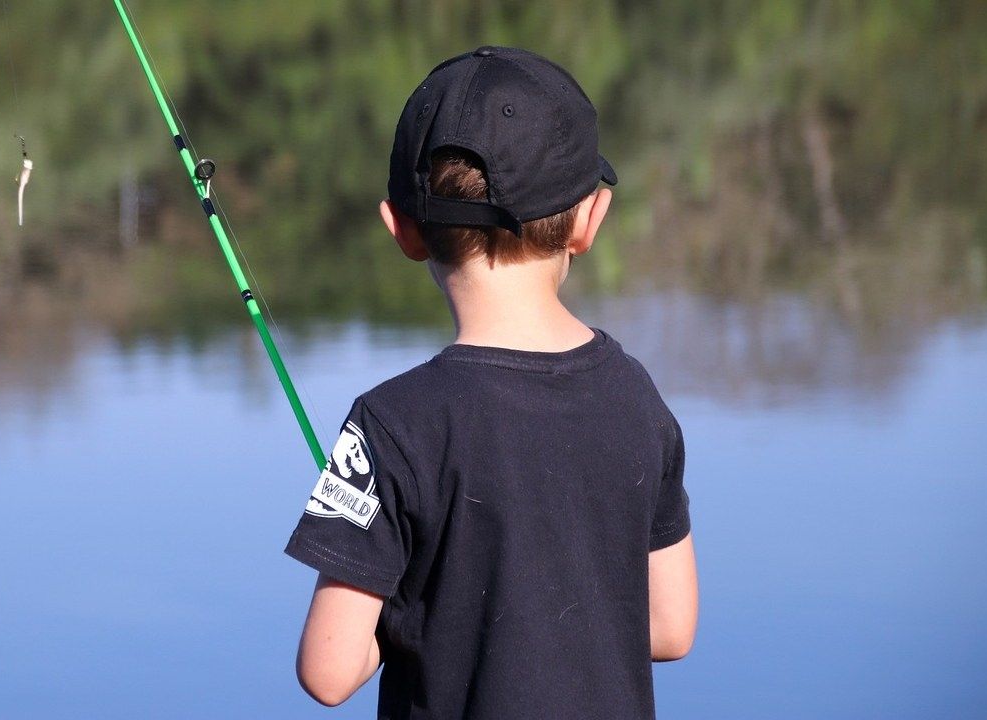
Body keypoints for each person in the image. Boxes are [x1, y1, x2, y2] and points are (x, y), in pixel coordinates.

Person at [283, 46, 698, 719]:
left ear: (403, 230)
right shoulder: (637, 397)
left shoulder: (389, 424)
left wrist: (416, 596)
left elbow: (329, 672)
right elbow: (671, 628)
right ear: (591, 220)